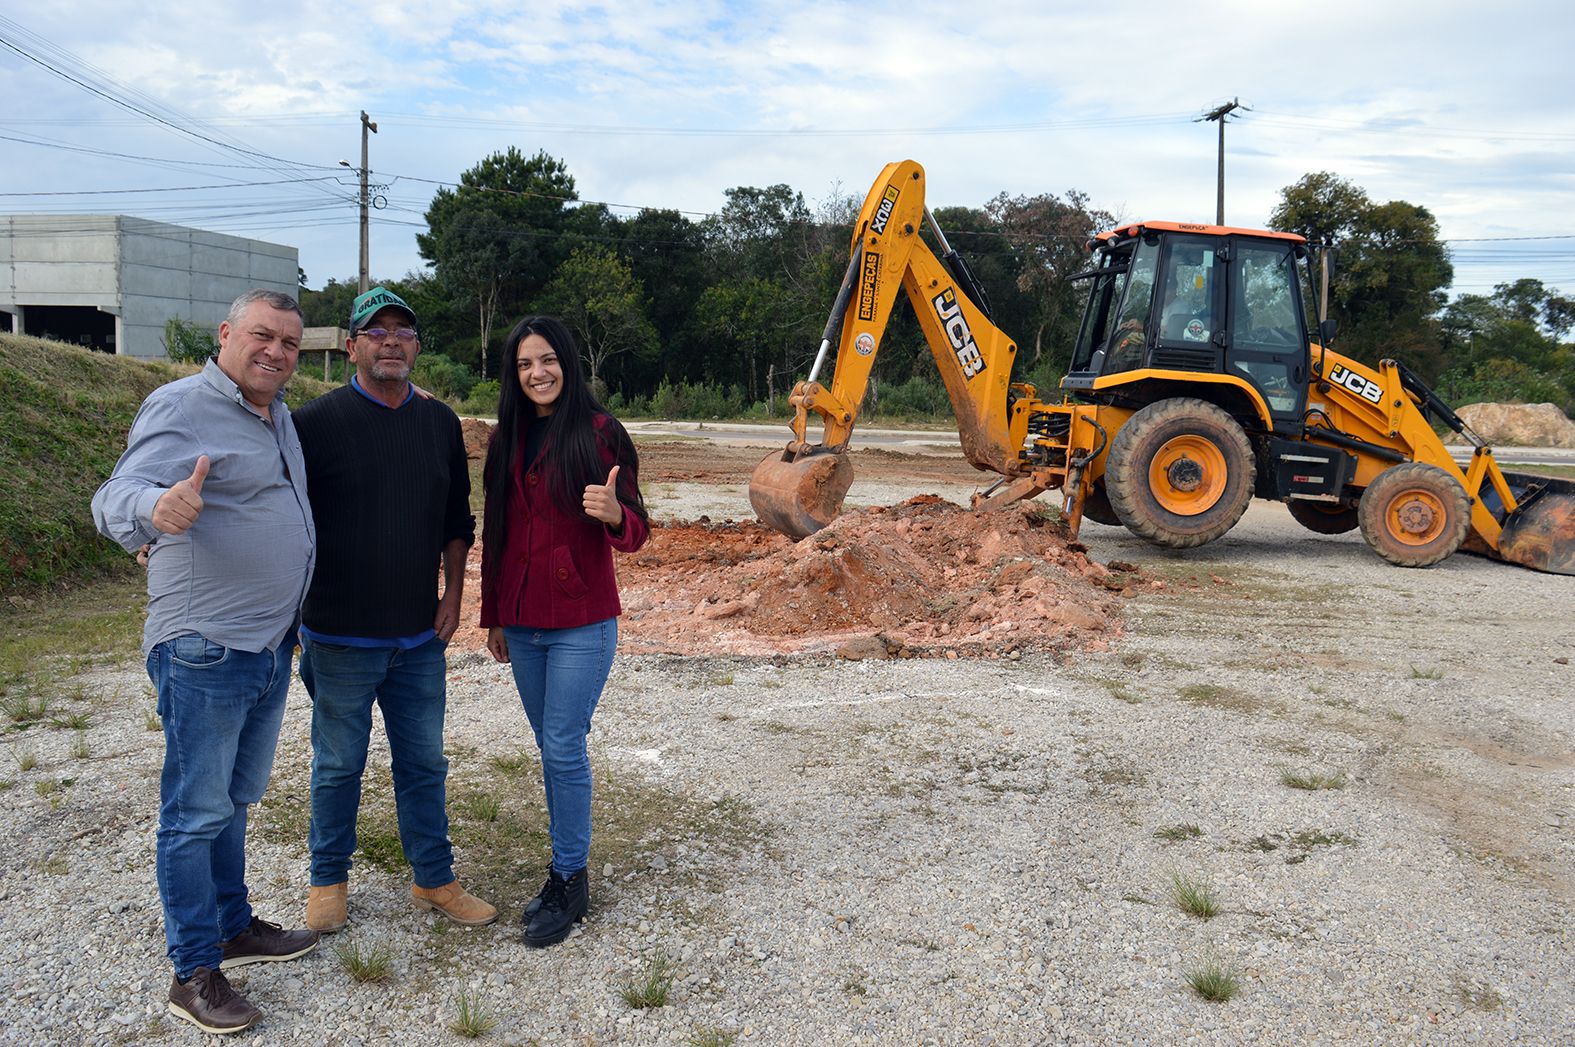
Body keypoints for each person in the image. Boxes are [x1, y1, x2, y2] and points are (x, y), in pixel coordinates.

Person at [91, 289, 319, 1036]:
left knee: (233, 800)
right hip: (204, 647)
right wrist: (153, 510)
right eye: (262, 336)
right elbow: (113, 493)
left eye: (288, 341)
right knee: (192, 815)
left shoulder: (274, 412)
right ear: (226, 335)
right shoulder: (182, 405)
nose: (276, 352)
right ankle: (192, 971)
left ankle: (232, 924)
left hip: (265, 644)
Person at [293, 287, 496, 933]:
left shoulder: (439, 423)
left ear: (416, 346)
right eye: (374, 330)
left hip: (417, 637)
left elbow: (455, 519)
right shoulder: (313, 423)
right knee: (337, 764)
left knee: (424, 762)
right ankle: (328, 879)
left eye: (402, 331)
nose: (390, 340)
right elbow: (278, 516)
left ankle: (433, 878)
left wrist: (456, 592)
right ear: (351, 346)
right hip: (338, 633)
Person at [480, 315, 649, 948]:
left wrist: (613, 515)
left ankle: (569, 877)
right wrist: (493, 612)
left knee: (561, 743)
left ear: (567, 363)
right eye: (524, 365)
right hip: (522, 623)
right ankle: (563, 865)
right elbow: (497, 530)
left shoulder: (602, 433)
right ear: (513, 374)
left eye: (547, 360)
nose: (537, 373)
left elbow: (637, 530)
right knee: (552, 744)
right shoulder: (507, 437)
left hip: (581, 620)